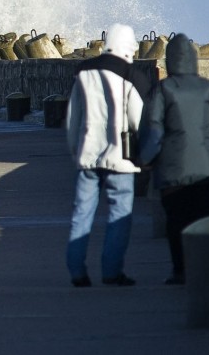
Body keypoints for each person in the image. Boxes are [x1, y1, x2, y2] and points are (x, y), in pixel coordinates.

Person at [137, 33, 209, 285]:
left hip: (172, 172)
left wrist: (146, 159)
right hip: (208, 170)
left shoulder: (162, 91)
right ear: (194, 60)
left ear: (170, 61)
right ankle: (205, 270)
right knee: (204, 220)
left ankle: (181, 270)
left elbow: (153, 129)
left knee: (177, 223)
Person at [65, 23, 151, 287]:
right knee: (119, 215)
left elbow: (73, 119)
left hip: (88, 155)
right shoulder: (132, 75)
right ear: (129, 46)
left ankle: (77, 272)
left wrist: (75, 151)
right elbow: (139, 120)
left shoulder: (83, 72)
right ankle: (112, 272)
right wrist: (145, 157)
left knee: (82, 213)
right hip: (121, 159)